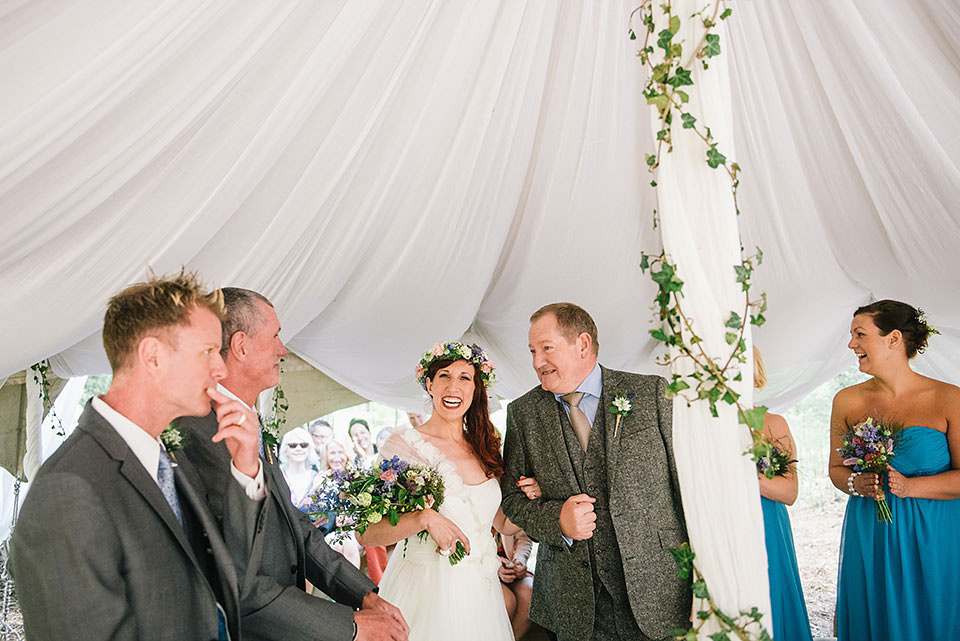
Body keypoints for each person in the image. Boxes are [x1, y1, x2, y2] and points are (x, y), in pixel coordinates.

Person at [9, 271, 265, 641]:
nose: (222, 368)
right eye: (208, 351)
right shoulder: (68, 490)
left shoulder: (162, 461)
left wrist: (245, 468)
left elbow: (223, 577)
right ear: (153, 356)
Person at [176, 287, 408, 641]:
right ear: (241, 346)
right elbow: (236, 574)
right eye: (275, 335)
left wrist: (364, 594)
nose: (282, 349)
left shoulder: (248, 422)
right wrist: (350, 625)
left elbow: (295, 525)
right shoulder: (197, 432)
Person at [500, 302, 691, 641]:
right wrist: (557, 518)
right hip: (573, 604)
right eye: (532, 351)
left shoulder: (652, 394)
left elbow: (689, 488)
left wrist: (705, 580)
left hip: (659, 591)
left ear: (583, 344)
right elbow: (513, 500)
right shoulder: (524, 413)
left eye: (546, 348)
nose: (537, 362)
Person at [356, 341, 519, 641]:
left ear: (476, 389)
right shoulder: (403, 445)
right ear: (429, 385)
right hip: (426, 591)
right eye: (444, 375)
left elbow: (503, 523)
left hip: (481, 596)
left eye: (464, 378)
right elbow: (365, 532)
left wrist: (531, 496)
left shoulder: (486, 445)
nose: (452, 387)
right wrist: (424, 518)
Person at [830, 300, 960, 640]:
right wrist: (857, 483)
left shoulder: (949, 398)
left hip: (935, 533)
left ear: (893, 339)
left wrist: (910, 488)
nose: (851, 344)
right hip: (870, 530)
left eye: (860, 335)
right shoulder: (846, 400)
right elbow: (834, 469)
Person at [753, 348, 813, 641]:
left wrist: (743, 476)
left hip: (768, 525)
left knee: (772, 596)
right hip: (720, 520)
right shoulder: (697, 425)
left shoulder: (774, 424)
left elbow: (789, 492)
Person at [279, 426, 320, 506]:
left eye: (303, 445)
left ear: (309, 449)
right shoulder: (279, 476)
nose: (298, 449)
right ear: (285, 450)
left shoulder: (316, 477)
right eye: (293, 445)